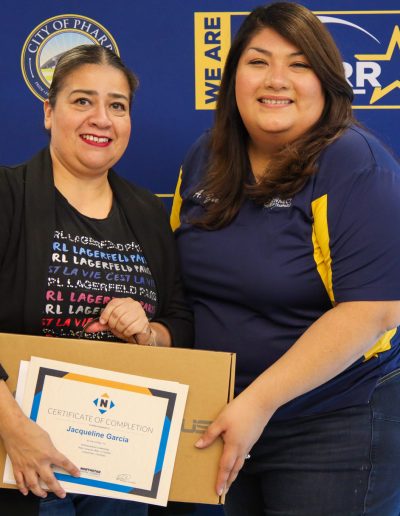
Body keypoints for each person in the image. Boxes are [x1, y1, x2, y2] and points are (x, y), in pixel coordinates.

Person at [171, 3, 400, 515]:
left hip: (332, 422)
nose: (276, 80)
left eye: (299, 65)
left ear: (327, 82)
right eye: (258, 62)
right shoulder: (205, 156)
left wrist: (257, 402)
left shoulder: (358, 166)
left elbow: (374, 311)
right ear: (233, 78)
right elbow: (178, 284)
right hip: (220, 415)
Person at [0, 44, 193, 516]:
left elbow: (181, 321)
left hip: (122, 471)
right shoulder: (7, 197)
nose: (101, 119)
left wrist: (148, 333)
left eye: (117, 106)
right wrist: (14, 430)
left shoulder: (148, 212)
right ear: (49, 112)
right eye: (82, 101)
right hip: (19, 465)